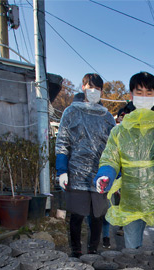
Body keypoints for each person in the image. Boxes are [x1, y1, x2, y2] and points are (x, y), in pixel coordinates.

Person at [93, 71, 154, 254]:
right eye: (139, 92)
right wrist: (105, 175)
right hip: (132, 202)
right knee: (132, 253)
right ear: (131, 96)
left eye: (148, 93)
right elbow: (110, 159)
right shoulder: (119, 131)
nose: (144, 97)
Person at [55, 73, 115, 257]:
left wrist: (115, 176)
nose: (94, 92)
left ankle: (93, 252)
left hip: (100, 175)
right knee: (77, 216)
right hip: (76, 173)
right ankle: (76, 252)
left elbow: (114, 148)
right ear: (83, 87)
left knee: (97, 216)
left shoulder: (107, 117)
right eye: (91, 87)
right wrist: (62, 170)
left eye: (97, 89)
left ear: (102, 91)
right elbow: (62, 142)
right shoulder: (71, 112)